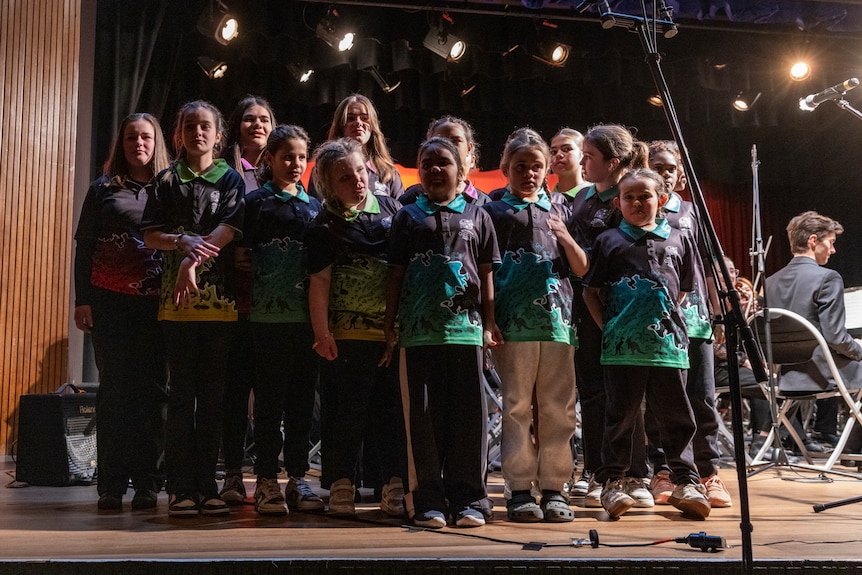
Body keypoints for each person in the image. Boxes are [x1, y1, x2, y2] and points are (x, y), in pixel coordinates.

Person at [383, 137, 499, 529]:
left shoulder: (478, 214)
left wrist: (488, 323)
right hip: (418, 335)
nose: (435, 170)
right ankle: (428, 499)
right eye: (427, 163)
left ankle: (470, 499)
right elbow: (395, 274)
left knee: (468, 419)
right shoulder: (407, 216)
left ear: (460, 170)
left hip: (466, 334)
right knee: (423, 420)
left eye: (443, 163)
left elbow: (486, 275)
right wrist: (389, 325)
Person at [583, 168, 710, 521]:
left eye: (645, 196)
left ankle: (686, 481)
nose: (638, 203)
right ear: (619, 202)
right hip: (622, 350)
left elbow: (683, 289)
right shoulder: (609, 241)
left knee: (676, 417)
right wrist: (610, 328)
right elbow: (592, 292)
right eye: (629, 197)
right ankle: (613, 483)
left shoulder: (679, 240)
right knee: (620, 417)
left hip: (668, 348)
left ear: (662, 200)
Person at [141, 100, 245, 517]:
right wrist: (178, 242)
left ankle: (208, 482)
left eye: (206, 126)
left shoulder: (231, 178)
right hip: (176, 308)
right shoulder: (166, 180)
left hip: (219, 307)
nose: (198, 133)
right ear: (178, 134)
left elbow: (230, 229)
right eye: (190, 126)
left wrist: (190, 259)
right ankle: (180, 486)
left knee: (214, 398)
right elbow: (150, 235)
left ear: (218, 136)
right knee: (182, 397)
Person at [484, 128, 589, 523]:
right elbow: (485, 271)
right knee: (515, 408)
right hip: (513, 326)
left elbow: (581, 268)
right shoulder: (493, 210)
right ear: (505, 169)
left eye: (537, 167)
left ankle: (554, 487)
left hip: (558, 324)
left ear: (548, 169)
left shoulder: (563, 207)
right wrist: (490, 320)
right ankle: (520, 487)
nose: (529, 174)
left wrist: (564, 236)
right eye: (520, 167)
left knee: (558, 410)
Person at [74, 113, 170, 511]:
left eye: (145, 137)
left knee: (155, 392)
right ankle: (111, 484)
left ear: (156, 143)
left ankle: (148, 482)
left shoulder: (171, 189)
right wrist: (83, 299)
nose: (138, 144)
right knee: (115, 392)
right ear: (122, 144)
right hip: (110, 303)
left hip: (158, 306)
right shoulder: (102, 190)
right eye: (131, 137)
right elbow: (84, 248)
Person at [305, 138, 405, 517]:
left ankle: (393, 484)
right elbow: (320, 282)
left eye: (360, 172)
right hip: (344, 337)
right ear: (329, 186)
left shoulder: (394, 213)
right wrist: (322, 334)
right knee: (344, 413)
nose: (357, 181)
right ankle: (341, 484)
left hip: (387, 335)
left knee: (388, 412)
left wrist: (394, 329)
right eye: (345, 178)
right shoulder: (324, 226)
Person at [237, 125, 323, 515]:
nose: (295, 163)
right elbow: (240, 257)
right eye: (287, 156)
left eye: (302, 157)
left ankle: (299, 478)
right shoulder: (255, 203)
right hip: (267, 321)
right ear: (269, 159)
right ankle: (267, 479)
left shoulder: (315, 208)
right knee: (269, 404)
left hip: (306, 322)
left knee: (303, 404)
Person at [644, 140, 732, 509]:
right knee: (660, 402)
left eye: (669, 167)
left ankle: (707, 471)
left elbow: (712, 267)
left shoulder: (694, 213)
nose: (664, 173)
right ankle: (664, 470)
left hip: (694, 322)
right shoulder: (639, 210)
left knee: (703, 398)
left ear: (681, 175)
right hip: (656, 326)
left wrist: (717, 312)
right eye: (657, 166)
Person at [569, 124, 649, 508]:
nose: (581, 162)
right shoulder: (583, 199)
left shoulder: (628, 198)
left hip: (622, 309)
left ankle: (634, 474)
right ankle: (598, 471)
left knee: (628, 395)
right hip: (586, 308)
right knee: (593, 393)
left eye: (589, 156)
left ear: (613, 162)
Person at [764, 211, 862, 454]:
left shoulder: (770, 282)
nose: (833, 250)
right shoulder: (828, 278)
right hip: (820, 375)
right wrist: (858, 348)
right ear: (813, 241)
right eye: (831, 242)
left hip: (786, 380)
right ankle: (852, 449)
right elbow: (835, 337)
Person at [219, 95, 277, 506]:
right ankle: (233, 475)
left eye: (265, 120)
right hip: (231, 296)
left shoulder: (287, 173)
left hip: (273, 301)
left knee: (272, 393)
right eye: (249, 119)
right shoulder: (225, 173)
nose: (257, 125)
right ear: (237, 126)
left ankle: (271, 478)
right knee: (234, 390)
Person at [309, 94, 404, 200]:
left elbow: (400, 212)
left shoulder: (388, 172)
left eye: (365, 118)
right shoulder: (323, 169)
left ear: (372, 126)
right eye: (350, 118)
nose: (358, 123)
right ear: (340, 125)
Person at [401, 116, 489, 206]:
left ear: (469, 148)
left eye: (455, 141)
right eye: (440, 140)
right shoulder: (411, 198)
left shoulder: (484, 203)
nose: (448, 145)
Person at [549, 128, 591, 205]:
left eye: (566, 149)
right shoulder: (545, 198)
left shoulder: (594, 195)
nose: (558, 155)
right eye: (553, 152)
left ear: (583, 154)